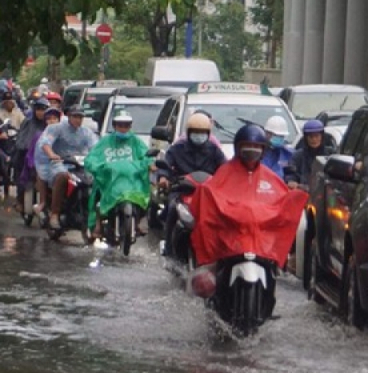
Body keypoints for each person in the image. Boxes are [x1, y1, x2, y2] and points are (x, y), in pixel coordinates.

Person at [187, 124, 309, 312]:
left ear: (263, 150)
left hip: (261, 243)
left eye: (256, 149)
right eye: (246, 149)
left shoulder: (269, 177)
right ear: (238, 149)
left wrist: (297, 195)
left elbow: (281, 200)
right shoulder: (225, 173)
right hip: (230, 242)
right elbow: (211, 193)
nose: (251, 154)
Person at [160, 112, 227, 256]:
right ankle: (168, 247)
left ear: (208, 134)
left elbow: (225, 168)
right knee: (172, 208)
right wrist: (163, 178)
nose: (198, 135)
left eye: (202, 132)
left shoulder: (214, 150)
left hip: (207, 193)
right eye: (195, 132)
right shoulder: (177, 149)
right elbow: (166, 163)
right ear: (189, 133)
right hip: (182, 190)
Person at [84, 111, 152, 241]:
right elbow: (92, 158)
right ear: (115, 126)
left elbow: (146, 156)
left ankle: (138, 222)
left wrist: (150, 164)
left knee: (147, 195)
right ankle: (97, 225)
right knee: (96, 195)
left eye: (126, 125)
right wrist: (99, 167)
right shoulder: (105, 142)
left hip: (131, 182)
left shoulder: (136, 142)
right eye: (120, 125)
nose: (123, 128)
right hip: (110, 182)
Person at [34, 106, 98, 229]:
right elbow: (45, 143)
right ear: (68, 116)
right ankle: (55, 214)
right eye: (75, 116)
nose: (78, 120)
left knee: (95, 178)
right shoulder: (56, 128)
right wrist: (52, 154)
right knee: (62, 176)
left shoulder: (86, 132)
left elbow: (96, 146)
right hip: (60, 163)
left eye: (80, 117)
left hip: (81, 165)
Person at [286, 119, 334, 189]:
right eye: (311, 137)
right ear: (305, 138)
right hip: (303, 194)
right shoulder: (298, 156)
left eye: (317, 136)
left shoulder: (331, 155)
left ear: (322, 136)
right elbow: (291, 173)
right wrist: (291, 181)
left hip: (326, 195)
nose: (314, 139)